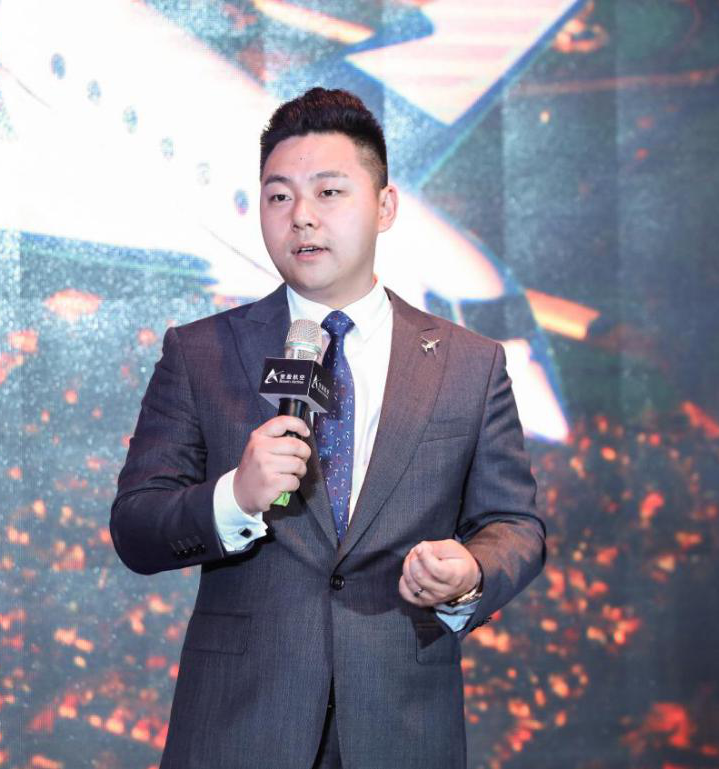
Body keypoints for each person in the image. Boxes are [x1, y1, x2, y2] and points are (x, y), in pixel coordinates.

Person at [110, 88, 546, 769]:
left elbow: (514, 524)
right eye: (278, 196)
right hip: (238, 730)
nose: (302, 217)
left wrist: (469, 572)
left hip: (403, 729)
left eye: (329, 192)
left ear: (385, 206)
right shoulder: (199, 352)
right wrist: (235, 497)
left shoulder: (469, 363)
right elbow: (136, 526)